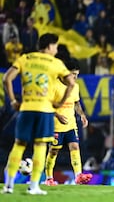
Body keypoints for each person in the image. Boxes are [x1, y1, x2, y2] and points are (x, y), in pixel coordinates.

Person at [2, 33, 75, 195]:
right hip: (45, 110)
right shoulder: (55, 63)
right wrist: (60, 103)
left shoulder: (25, 58)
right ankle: (33, 186)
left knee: (19, 145)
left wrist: (13, 101)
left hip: (26, 108)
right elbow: (71, 82)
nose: (56, 50)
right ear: (49, 46)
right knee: (40, 146)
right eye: (55, 46)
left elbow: (7, 78)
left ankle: (8, 185)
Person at [44, 58, 93, 186]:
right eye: (73, 75)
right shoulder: (54, 85)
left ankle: (78, 176)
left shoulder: (75, 87)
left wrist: (82, 115)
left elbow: (76, 103)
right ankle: (49, 178)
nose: (75, 78)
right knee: (54, 151)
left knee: (75, 147)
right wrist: (58, 115)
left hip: (71, 124)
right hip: (55, 125)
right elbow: (46, 104)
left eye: (77, 75)